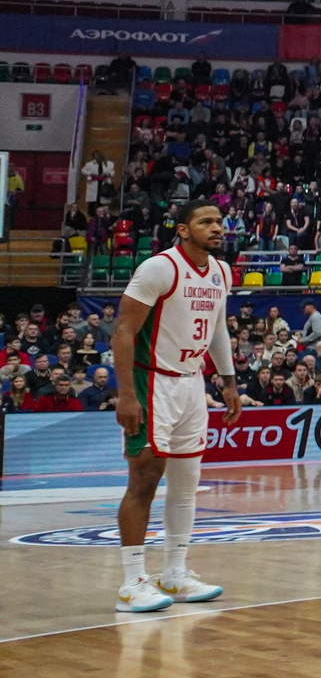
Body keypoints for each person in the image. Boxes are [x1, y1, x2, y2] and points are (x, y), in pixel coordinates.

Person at [110, 200, 243, 613]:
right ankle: (132, 583)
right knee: (145, 480)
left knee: (187, 483)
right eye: (206, 222)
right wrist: (126, 394)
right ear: (183, 230)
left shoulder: (221, 271)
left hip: (191, 384)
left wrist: (229, 381)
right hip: (152, 382)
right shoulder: (159, 268)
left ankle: (175, 573)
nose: (216, 228)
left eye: (219, 222)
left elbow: (218, 327)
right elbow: (123, 330)